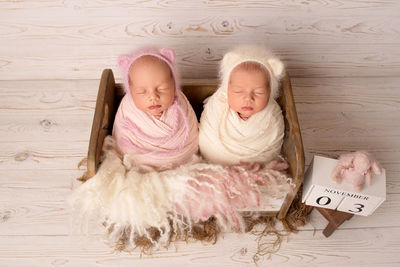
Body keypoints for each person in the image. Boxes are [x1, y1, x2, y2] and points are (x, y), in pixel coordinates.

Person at [199, 45, 285, 165]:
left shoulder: (272, 116)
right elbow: (206, 135)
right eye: (238, 91)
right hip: (212, 161)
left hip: (256, 168)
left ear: (270, 92)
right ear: (227, 89)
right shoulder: (217, 106)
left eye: (259, 92)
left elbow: (273, 147)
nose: (248, 98)